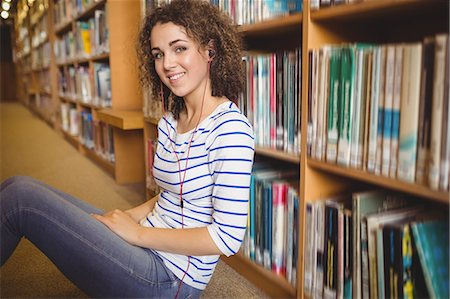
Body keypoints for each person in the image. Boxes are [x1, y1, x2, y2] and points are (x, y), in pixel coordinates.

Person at [0, 0, 254, 298]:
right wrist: (129, 216)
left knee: (21, 200)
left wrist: (137, 234)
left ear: (210, 50)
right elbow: (172, 193)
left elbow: (226, 238)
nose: (167, 64)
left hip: (169, 278)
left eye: (179, 48)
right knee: (18, 184)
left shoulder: (231, 130)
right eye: (158, 54)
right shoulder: (172, 119)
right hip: (147, 242)